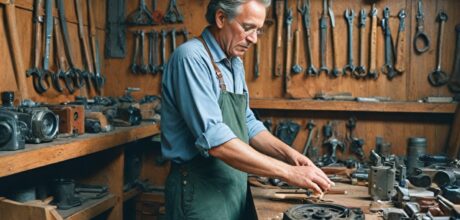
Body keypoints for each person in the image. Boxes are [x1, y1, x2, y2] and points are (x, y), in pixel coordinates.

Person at [161, 0, 333, 219]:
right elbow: (217, 142)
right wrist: (289, 172)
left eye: (258, 31)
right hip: (198, 192)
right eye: (247, 27)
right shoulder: (191, 58)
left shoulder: (234, 62)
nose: (253, 39)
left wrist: (291, 156)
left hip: (231, 187)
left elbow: (247, 123)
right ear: (221, 18)